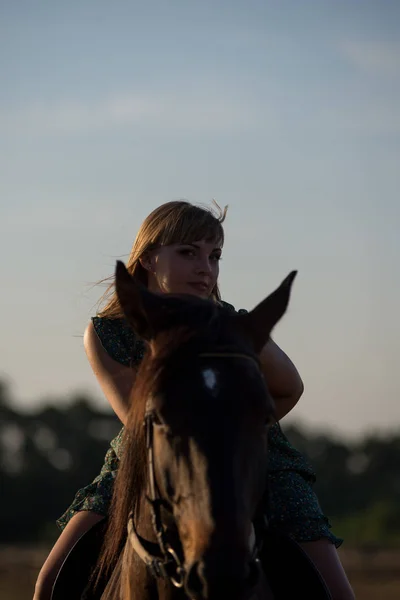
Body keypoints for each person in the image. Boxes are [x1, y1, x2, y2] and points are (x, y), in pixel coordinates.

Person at [34, 200, 354, 600]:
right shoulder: (108, 332)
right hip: (145, 458)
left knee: (336, 594)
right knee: (50, 583)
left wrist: (238, 436)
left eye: (214, 255)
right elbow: (137, 417)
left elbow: (289, 386)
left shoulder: (231, 324)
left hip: (259, 462)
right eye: (188, 253)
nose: (206, 268)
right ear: (149, 258)